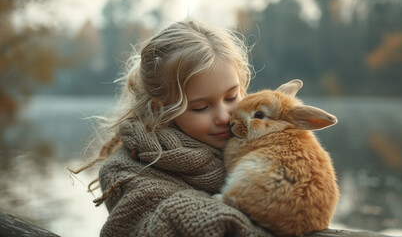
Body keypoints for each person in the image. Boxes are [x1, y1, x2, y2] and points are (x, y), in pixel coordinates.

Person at [74, 19, 273, 237]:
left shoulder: (267, 145)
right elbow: (157, 223)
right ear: (160, 108)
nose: (225, 117)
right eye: (201, 107)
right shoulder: (126, 171)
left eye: (232, 97)